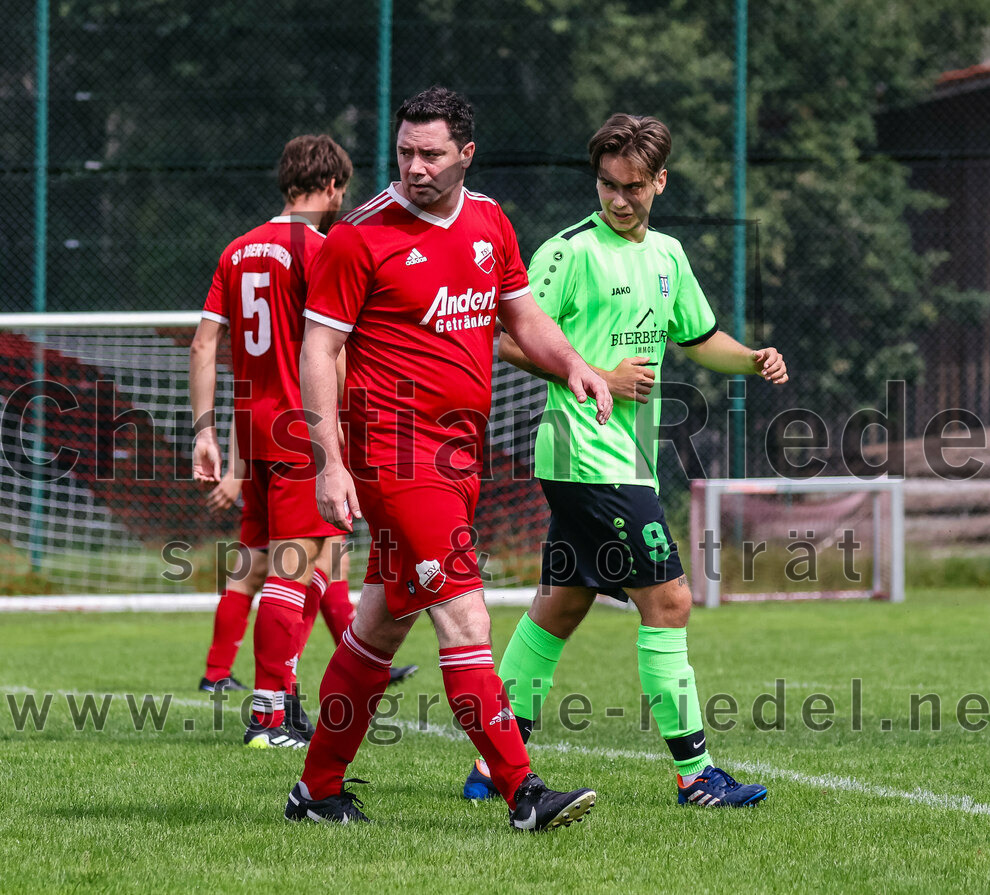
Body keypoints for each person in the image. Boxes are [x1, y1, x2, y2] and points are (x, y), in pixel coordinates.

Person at [285, 86, 613, 831]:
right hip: (395, 455)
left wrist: (573, 365)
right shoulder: (360, 236)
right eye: (405, 151)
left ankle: (316, 789)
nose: (415, 166)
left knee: (379, 626)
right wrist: (329, 462)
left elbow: (521, 314)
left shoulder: (490, 220)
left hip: (459, 454)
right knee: (465, 615)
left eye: (431, 154)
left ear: (466, 153)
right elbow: (320, 349)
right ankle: (523, 793)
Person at [461, 113, 788, 807]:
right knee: (669, 600)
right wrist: (597, 375)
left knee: (560, 606)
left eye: (632, 186)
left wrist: (752, 359)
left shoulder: (668, 255)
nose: (617, 198)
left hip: (624, 460)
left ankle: (493, 767)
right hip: (585, 454)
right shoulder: (568, 252)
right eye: (607, 184)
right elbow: (507, 338)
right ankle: (696, 776)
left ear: (659, 182)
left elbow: (699, 338)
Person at [191, 134, 356, 748]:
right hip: (302, 433)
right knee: (295, 569)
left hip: (252, 432)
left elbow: (203, 344)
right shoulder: (322, 248)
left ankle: (284, 698)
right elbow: (332, 350)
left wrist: (204, 433)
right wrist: (345, 432)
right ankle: (268, 716)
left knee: (304, 561)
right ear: (333, 185)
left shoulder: (236, 249)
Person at [198, 419, 418, 695]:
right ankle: (286, 680)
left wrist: (235, 469)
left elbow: (242, 402)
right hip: (303, 449)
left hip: (261, 445)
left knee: (259, 564)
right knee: (321, 556)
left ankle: (219, 673)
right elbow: (334, 398)